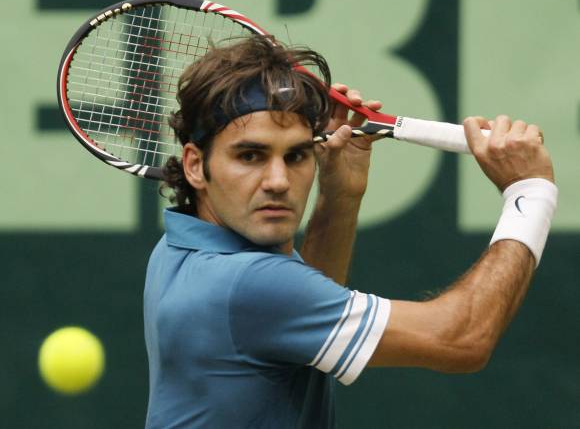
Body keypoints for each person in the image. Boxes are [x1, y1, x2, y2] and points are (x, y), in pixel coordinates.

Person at [143, 35, 557, 428]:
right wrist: (530, 191)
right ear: (195, 165)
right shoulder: (248, 284)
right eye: (250, 156)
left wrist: (339, 197)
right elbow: (463, 338)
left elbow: (299, 311)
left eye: (297, 156)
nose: (278, 181)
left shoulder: (177, 251)